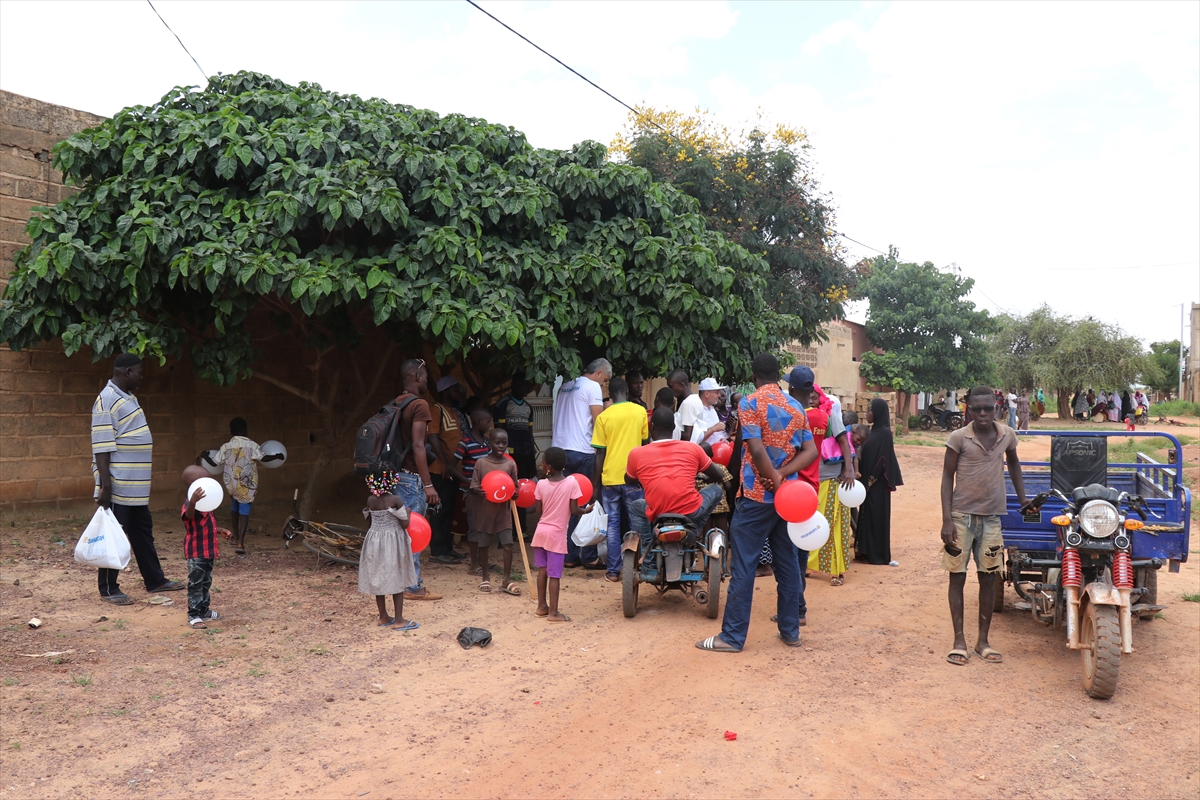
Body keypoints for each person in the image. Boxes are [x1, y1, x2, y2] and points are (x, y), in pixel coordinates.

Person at [696, 353, 817, 653]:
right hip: (787, 500)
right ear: (778, 375)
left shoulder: (749, 403)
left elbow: (757, 450)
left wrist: (773, 479)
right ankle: (790, 631)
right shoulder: (796, 406)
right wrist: (783, 478)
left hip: (755, 497)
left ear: (753, 376)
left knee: (744, 566)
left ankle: (732, 637)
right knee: (787, 564)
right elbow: (811, 451)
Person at [940, 385, 1026, 666]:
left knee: (989, 578)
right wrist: (947, 519)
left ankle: (982, 642)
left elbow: (1014, 465)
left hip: (991, 519)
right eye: (976, 409)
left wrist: (1023, 499)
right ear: (969, 409)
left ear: (997, 408)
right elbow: (947, 478)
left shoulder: (1007, 435)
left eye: (988, 408)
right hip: (961, 518)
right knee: (957, 577)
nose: (982, 414)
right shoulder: (958, 438)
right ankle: (959, 641)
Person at [91, 353, 182, 605]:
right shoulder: (106, 400)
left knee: (142, 532)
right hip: (119, 485)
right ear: (127, 372)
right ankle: (108, 588)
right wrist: (106, 486)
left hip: (135, 487)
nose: (142, 376)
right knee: (114, 536)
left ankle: (155, 580)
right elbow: (101, 447)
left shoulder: (128, 397)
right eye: (140, 372)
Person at [626, 408, 728, 554]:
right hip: (691, 510)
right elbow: (718, 475)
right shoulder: (693, 448)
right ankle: (693, 528)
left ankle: (647, 554)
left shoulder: (636, 453)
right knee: (716, 489)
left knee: (635, 507)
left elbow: (629, 481)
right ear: (674, 427)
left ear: (651, 427)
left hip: (657, 510)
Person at [553, 358, 612, 569]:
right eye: (605, 380)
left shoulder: (566, 385)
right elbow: (598, 421)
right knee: (587, 503)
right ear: (598, 373)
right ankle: (589, 556)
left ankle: (568, 556)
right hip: (582, 451)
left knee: (566, 505)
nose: (604, 385)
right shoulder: (592, 386)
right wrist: (608, 409)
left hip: (559, 450)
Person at [591, 377, 649, 583]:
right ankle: (639, 567)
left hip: (610, 479)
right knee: (637, 523)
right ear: (626, 391)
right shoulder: (640, 412)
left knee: (612, 526)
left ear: (610, 394)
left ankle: (614, 571)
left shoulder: (603, 417)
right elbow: (645, 445)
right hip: (634, 477)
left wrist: (595, 485)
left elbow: (600, 453)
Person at [395, 359, 441, 601]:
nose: (426, 382)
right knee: (413, 532)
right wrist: (428, 484)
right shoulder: (420, 404)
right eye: (425, 377)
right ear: (417, 377)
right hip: (411, 479)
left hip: (396, 476)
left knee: (401, 532)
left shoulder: (397, 402)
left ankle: (400, 582)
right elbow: (418, 445)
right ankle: (413, 587)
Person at [202, 417, 282, 556]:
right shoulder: (252, 445)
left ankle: (235, 536)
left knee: (234, 507)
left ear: (231, 431)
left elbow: (214, 463)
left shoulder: (226, 446)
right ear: (245, 430)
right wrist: (277, 456)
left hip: (232, 485)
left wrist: (204, 456)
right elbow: (263, 458)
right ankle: (240, 542)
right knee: (244, 510)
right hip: (246, 485)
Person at [531, 447, 592, 622]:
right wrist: (586, 511)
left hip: (540, 532)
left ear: (548, 466)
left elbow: (538, 510)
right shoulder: (571, 483)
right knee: (555, 575)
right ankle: (554, 613)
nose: (541, 465)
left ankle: (541, 607)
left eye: (543, 462)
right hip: (556, 535)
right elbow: (574, 510)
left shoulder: (541, 484)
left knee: (543, 570)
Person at [808, 382, 857, 587]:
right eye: (808, 397)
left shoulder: (830, 417)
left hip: (831, 479)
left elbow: (844, 442)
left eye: (815, 397)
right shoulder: (802, 416)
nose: (811, 401)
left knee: (834, 525)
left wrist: (848, 469)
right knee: (813, 525)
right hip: (810, 480)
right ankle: (811, 564)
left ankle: (837, 570)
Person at [360, 465, 419, 631]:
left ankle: (383, 616)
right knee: (396, 578)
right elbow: (404, 524)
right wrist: (407, 511)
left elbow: (369, 522)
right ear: (393, 480)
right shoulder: (395, 500)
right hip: (392, 543)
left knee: (378, 578)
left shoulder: (371, 500)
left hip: (374, 542)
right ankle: (399, 620)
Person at [468, 428, 521, 595]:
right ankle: (485, 576)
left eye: (504, 443)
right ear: (489, 443)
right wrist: (478, 491)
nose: (501, 446)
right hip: (485, 512)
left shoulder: (510, 464)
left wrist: (515, 493)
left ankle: (506, 579)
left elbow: (515, 487)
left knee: (508, 545)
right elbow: (473, 486)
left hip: (503, 513)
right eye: (497, 442)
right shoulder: (481, 463)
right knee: (483, 545)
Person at [180, 465, 232, 629]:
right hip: (196, 553)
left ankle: (204, 610)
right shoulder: (190, 505)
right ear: (194, 486)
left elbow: (206, 526)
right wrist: (193, 501)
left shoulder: (208, 506)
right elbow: (188, 516)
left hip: (208, 551)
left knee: (205, 582)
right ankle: (194, 615)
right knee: (196, 583)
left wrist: (220, 530)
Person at [854, 398, 903, 567]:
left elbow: (883, 460)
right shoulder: (871, 431)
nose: (867, 413)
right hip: (865, 483)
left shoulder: (885, 434)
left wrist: (870, 482)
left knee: (876, 516)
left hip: (877, 485)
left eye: (870, 410)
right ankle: (864, 551)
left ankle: (877, 554)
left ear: (878, 413)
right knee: (866, 515)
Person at [427, 376, 470, 564]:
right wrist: (445, 463)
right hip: (441, 470)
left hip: (454, 471)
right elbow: (432, 437)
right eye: (454, 390)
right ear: (445, 392)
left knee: (450, 510)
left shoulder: (454, 411)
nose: (458, 393)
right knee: (440, 511)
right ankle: (437, 551)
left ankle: (447, 548)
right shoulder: (436, 410)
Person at [454, 407, 493, 575]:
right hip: (472, 493)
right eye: (487, 422)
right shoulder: (465, 443)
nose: (489, 425)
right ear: (478, 422)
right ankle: (474, 564)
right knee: (475, 527)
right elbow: (451, 467)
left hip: (486, 492)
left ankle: (482, 561)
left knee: (484, 526)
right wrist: (470, 483)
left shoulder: (487, 442)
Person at [679, 378, 727, 445]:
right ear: (707, 394)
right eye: (716, 392)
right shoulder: (697, 409)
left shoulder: (712, 409)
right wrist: (713, 429)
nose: (719, 395)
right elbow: (696, 439)